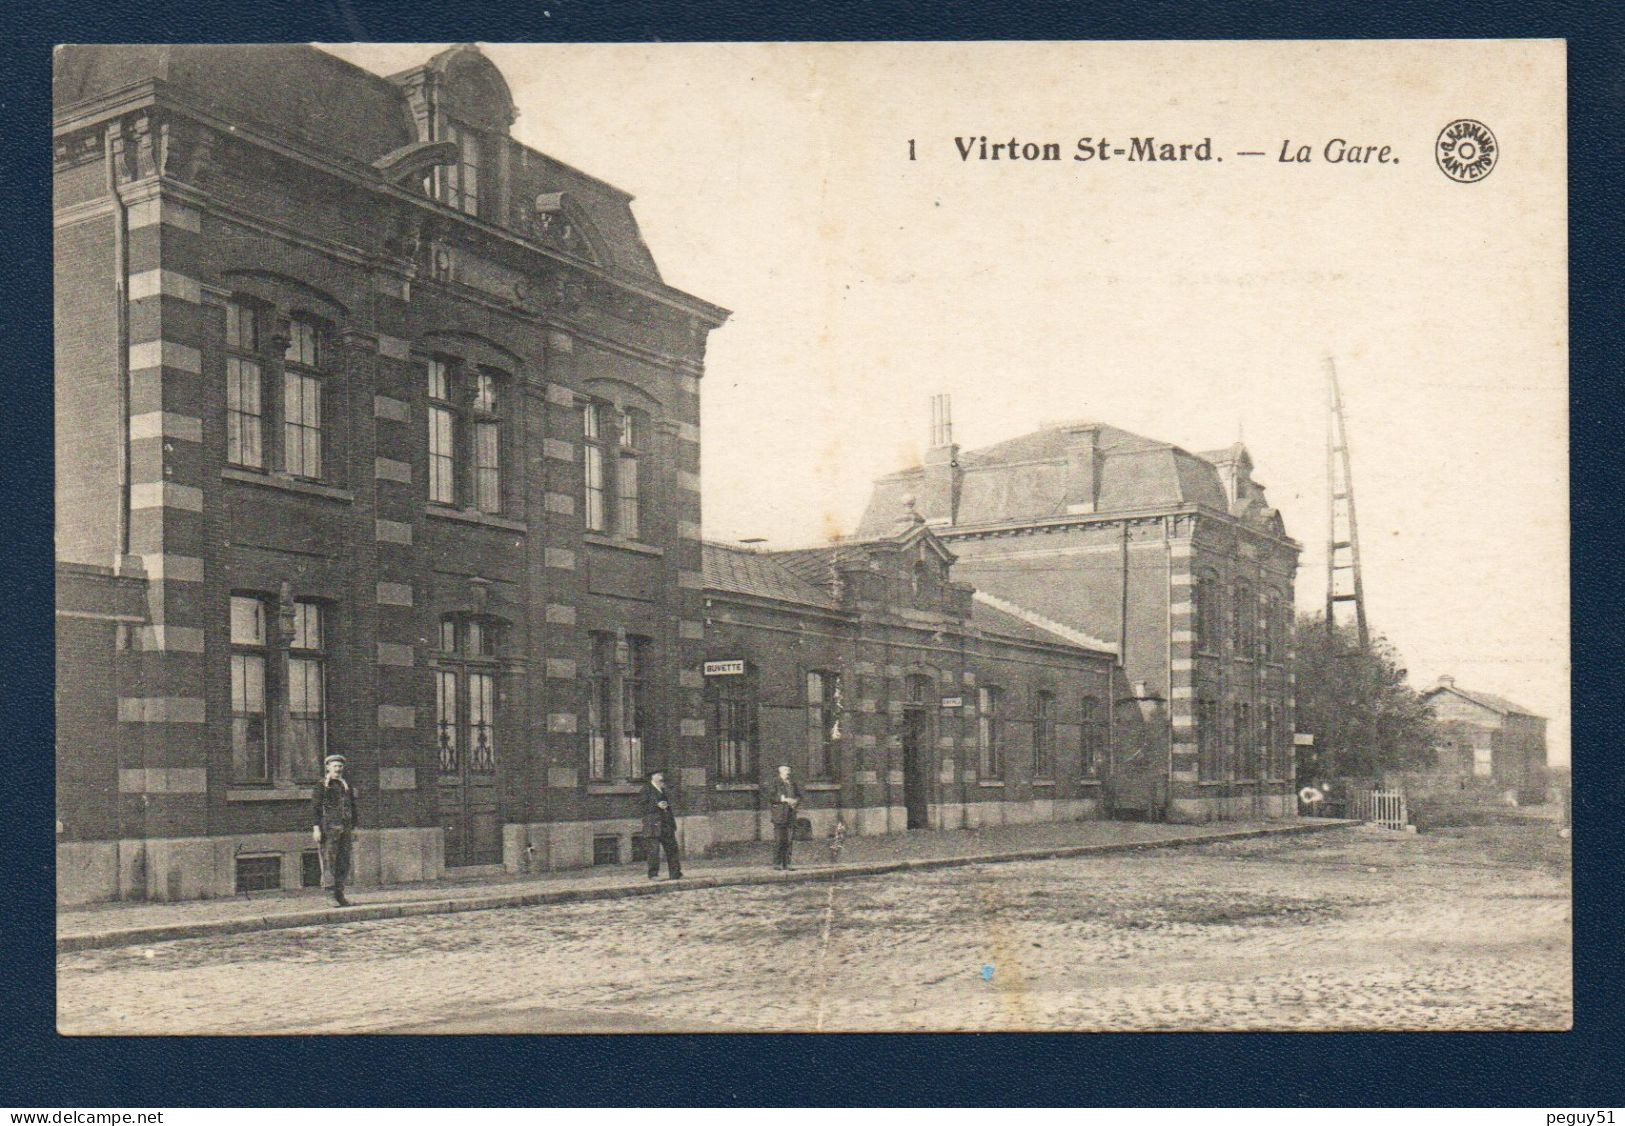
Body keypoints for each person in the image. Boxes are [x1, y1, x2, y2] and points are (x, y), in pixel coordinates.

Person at [311, 753, 358, 906]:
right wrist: (316, 829)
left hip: (345, 828)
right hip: (328, 828)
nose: (338, 769)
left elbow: (353, 807)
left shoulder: (346, 785)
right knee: (329, 861)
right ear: (328, 768)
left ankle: (340, 894)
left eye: (340, 766)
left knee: (343, 861)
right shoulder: (322, 785)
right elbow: (315, 808)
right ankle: (330, 896)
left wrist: (354, 828)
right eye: (335, 766)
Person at [642, 770, 683, 880]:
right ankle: (653, 874)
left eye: (661, 774)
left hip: (666, 824)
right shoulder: (646, 789)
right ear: (652, 776)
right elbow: (641, 806)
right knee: (653, 851)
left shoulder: (663, 789)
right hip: (653, 825)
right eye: (659, 775)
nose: (661, 777)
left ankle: (675, 873)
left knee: (672, 849)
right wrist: (656, 805)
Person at [770, 764, 802, 870]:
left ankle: (787, 864)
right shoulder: (775, 783)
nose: (787, 772)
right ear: (780, 772)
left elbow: (799, 795)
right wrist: (782, 799)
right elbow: (770, 796)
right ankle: (777, 864)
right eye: (785, 770)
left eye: (788, 770)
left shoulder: (792, 783)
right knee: (779, 840)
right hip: (779, 815)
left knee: (789, 840)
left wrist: (795, 801)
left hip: (791, 814)